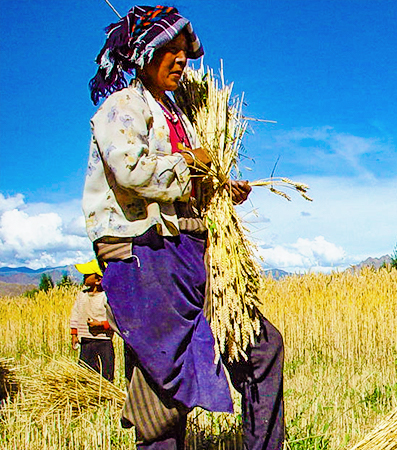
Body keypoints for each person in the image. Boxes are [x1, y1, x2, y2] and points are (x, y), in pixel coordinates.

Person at [84, 6, 283, 449]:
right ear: (142, 54)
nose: (179, 60)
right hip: (145, 257)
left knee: (262, 347)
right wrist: (191, 162)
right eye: (167, 51)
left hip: (194, 254)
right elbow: (131, 171)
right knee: (161, 393)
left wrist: (220, 188)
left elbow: (185, 180)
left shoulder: (179, 114)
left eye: (183, 53)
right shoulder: (123, 108)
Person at [69, 259, 115, 381]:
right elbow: (76, 313)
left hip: (103, 341)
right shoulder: (82, 295)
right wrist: (74, 334)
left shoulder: (107, 297)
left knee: (106, 376)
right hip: (86, 341)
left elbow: (115, 321)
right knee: (85, 375)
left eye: (87, 275)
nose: (84, 277)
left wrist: (100, 325)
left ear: (98, 280)